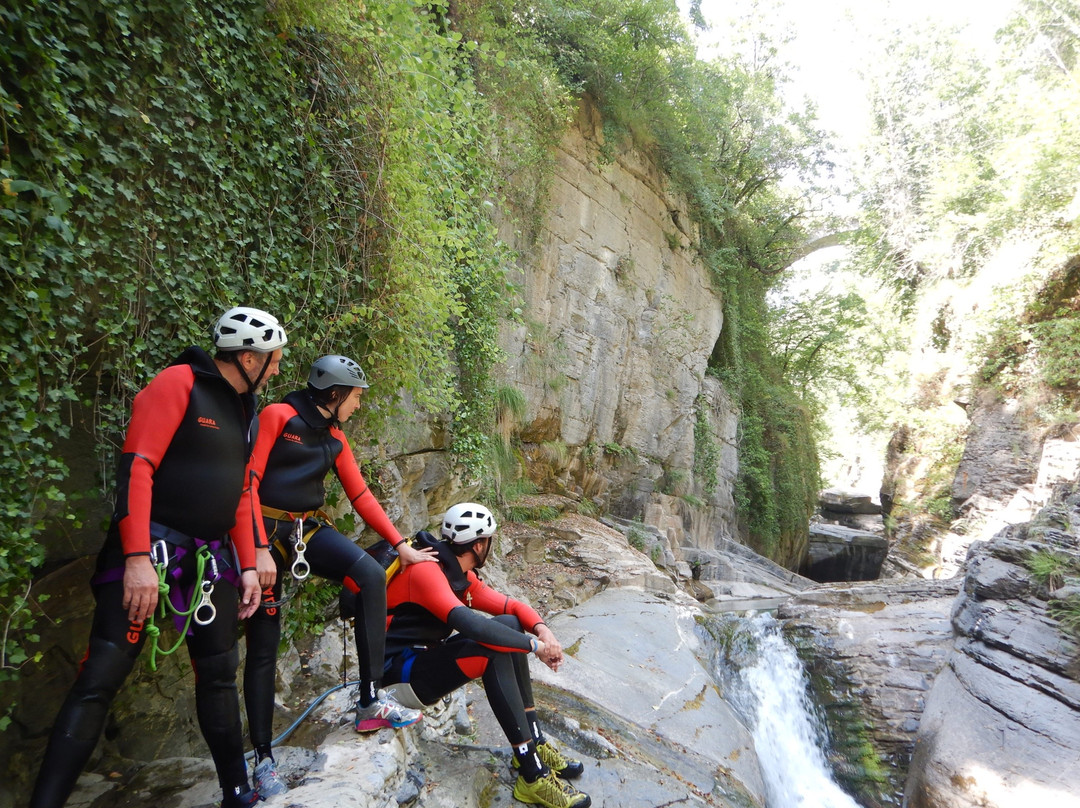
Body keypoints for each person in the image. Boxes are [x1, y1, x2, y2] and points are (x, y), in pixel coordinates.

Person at [29, 306, 288, 808]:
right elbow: (137, 468)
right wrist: (137, 559)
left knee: (217, 675)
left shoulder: (244, 408)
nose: (277, 369)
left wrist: (250, 564)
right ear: (250, 356)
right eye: (274, 360)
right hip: (153, 550)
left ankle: (237, 792)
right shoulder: (177, 383)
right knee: (99, 678)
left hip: (210, 561)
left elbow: (238, 494)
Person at [241, 354, 435, 796]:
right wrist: (254, 549)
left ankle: (369, 700)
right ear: (335, 393)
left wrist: (401, 546)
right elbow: (247, 482)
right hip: (263, 531)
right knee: (264, 639)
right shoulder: (278, 416)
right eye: (357, 397)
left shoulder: (334, 437)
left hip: (305, 528)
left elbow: (361, 494)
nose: (359, 405)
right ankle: (263, 760)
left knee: (369, 573)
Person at [381, 502, 592, 808]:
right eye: (490, 540)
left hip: (418, 663)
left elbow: (512, 609)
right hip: (395, 679)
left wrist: (544, 632)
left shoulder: (456, 572)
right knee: (492, 650)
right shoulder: (426, 572)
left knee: (509, 625)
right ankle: (531, 774)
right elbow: (470, 625)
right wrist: (535, 647)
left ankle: (535, 741)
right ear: (480, 545)